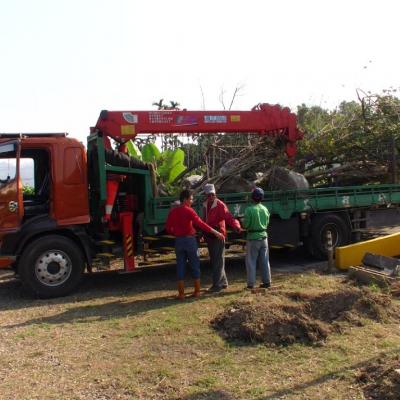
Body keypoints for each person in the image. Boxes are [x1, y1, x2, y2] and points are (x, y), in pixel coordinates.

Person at [166, 189, 224, 300]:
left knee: (180, 265)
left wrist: (176, 233)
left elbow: (168, 228)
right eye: (191, 199)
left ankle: (181, 294)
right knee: (195, 264)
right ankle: (197, 291)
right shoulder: (189, 211)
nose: (192, 201)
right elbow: (201, 224)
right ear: (185, 199)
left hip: (179, 241)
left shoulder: (173, 212)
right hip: (190, 241)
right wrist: (216, 232)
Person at [202, 183, 241, 292]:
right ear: (205, 195)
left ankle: (217, 285)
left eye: (212, 194)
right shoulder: (205, 204)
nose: (210, 197)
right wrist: (202, 234)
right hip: (210, 235)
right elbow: (204, 220)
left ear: (215, 194)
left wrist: (236, 226)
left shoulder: (219, 205)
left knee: (217, 261)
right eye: (208, 195)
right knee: (217, 260)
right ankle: (223, 282)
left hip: (218, 235)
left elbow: (229, 217)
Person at [243, 187, 271, 289]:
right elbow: (267, 222)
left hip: (252, 238)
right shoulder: (265, 209)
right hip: (264, 237)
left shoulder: (249, 210)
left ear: (252, 197)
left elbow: (246, 225)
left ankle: (251, 284)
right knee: (264, 260)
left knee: (251, 261)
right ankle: (267, 282)